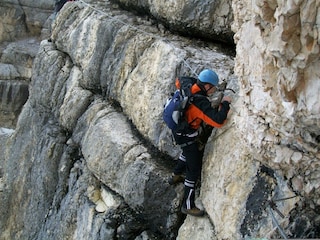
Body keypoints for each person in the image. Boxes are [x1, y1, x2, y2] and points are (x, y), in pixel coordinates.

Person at [168, 69, 232, 217]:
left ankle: (175, 175)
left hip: (178, 130)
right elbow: (218, 121)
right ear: (207, 86)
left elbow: (179, 79)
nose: (214, 90)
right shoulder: (199, 102)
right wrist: (225, 104)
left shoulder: (186, 84)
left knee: (188, 152)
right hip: (186, 136)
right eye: (213, 87)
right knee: (193, 170)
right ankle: (188, 205)